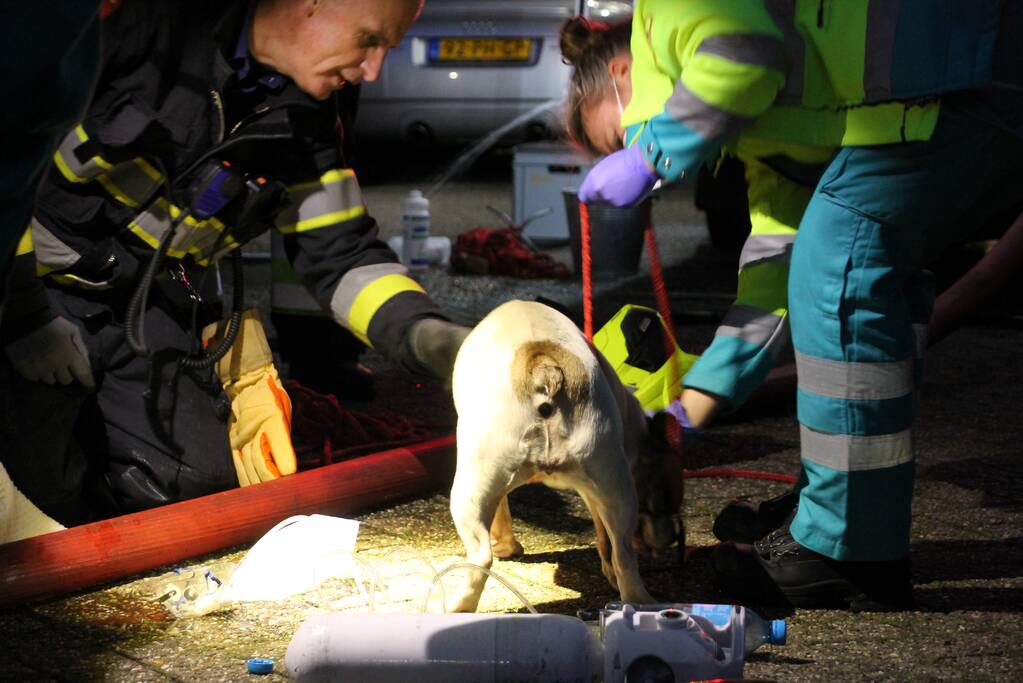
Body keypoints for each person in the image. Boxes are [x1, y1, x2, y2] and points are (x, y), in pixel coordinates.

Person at [569, 1, 1023, 609]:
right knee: (849, 274)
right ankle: (842, 505)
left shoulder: (665, 11)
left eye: (614, 138)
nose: (625, 152)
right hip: (950, 78)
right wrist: (687, 411)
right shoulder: (768, 138)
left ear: (624, 73)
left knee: (842, 267)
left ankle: (845, 546)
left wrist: (651, 151)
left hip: (958, 65)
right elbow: (771, 281)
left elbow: (746, 53)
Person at [0, 0, 470, 527]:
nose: (373, 70)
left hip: (147, 302)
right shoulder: (134, 31)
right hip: (29, 289)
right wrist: (26, 317)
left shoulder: (306, 125)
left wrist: (430, 337)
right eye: (370, 39)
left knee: (192, 490)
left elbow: (344, 256)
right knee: (39, 495)